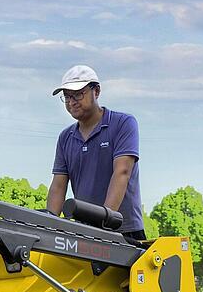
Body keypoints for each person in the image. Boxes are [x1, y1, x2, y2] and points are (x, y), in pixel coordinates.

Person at [46, 65, 145, 240]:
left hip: (124, 230)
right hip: (86, 234)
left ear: (96, 91)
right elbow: (58, 186)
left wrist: (105, 223)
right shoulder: (65, 137)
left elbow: (122, 172)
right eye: (67, 97)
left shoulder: (123, 124)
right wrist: (49, 226)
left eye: (78, 94)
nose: (72, 102)